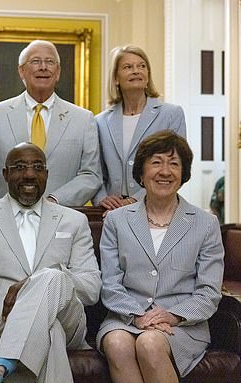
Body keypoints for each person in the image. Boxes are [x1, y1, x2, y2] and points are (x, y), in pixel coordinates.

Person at [0, 142, 101, 383]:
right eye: (19, 167)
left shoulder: (74, 221)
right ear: (5, 174)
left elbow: (91, 289)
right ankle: (1, 369)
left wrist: (36, 283)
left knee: (53, 276)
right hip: (0, 315)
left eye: (37, 167)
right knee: (50, 330)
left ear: (46, 174)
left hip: (69, 319)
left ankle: (0, 368)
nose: (29, 174)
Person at [97, 130, 224, 383]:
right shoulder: (116, 220)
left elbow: (209, 291)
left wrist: (172, 315)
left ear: (183, 174)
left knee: (150, 343)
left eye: (174, 164)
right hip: (125, 317)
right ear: (141, 174)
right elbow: (110, 283)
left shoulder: (206, 224)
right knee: (118, 343)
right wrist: (137, 315)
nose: (165, 171)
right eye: (156, 162)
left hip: (182, 324)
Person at [0, 40, 101, 206]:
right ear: (21, 71)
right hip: (4, 218)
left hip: (60, 217)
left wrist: (55, 200)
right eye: (35, 61)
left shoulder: (83, 119)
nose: (43, 67)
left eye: (50, 62)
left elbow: (91, 175)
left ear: (57, 72)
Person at [93, 45, 186, 212]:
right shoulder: (100, 121)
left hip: (157, 207)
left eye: (142, 66)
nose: (136, 71)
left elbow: (179, 165)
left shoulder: (171, 114)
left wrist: (135, 200)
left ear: (148, 75)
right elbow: (95, 170)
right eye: (128, 67)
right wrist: (102, 198)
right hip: (112, 212)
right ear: (115, 78)